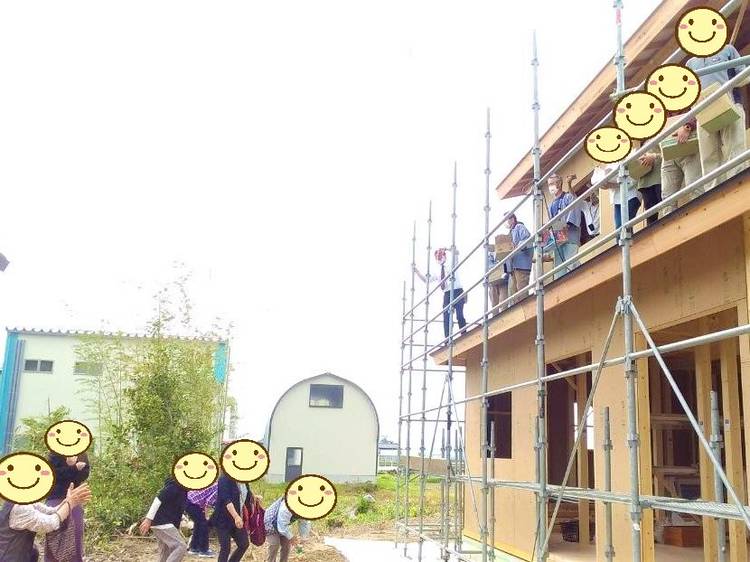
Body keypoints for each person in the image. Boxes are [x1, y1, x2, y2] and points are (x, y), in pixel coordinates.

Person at [686, 43, 748, 189]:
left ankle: (739, 186)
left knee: (735, 149)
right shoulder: (690, 63)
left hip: (730, 104)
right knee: (708, 156)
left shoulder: (728, 49)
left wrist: (723, 88)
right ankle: (713, 191)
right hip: (703, 111)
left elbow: (744, 76)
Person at [0, 483, 91, 562]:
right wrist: (70, 503)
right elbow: (50, 524)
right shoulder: (19, 508)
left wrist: (68, 501)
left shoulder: (23, 502)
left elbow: (50, 512)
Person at [44, 452, 90, 562]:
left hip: (74, 498)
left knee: (75, 534)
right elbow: (53, 475)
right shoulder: (53, 455)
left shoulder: (81, 453)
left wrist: (76, 468)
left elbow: (84, 474)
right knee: (54, 536)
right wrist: (72, 467)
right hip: (55, 498)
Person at [414, 247, 466, 338]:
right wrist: (417, 272)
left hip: (457, 290)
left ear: (444, 256)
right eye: (437, 257)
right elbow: (426, 280)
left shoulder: (451, 264)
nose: (439, 259)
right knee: (446, 317)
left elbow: (457, 252)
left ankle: (464, 334)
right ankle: (447, 339)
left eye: (440, 256)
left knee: (459, 315)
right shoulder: (437, 271)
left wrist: (448, 249)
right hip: (447, 293)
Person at [659, 117, 702, 218]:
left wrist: (688, 126)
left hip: (688, 141)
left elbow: (696, 108)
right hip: (667, 148)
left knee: (695, 187)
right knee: (667, 196)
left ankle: (701, 218)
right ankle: (670, 224)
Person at [140, 476, 189, 562]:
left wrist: (183, 518)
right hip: (162, 522)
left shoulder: (183, 490)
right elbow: (158, 500)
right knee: (180, 546)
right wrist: (148, 519)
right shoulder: (174, 486)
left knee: (166, 551)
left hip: (162, 522)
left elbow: (173, 507)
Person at [208, 470, 253, 562]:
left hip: (237, 519)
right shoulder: (224, 479)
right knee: (225, 548)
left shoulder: (244, 481)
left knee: (244, 544)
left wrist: (254, 498)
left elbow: (246, 495)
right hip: (223, 520)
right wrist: (236, 516)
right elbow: (227, 500)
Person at [546, 173, 582, 280]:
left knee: (572, 265)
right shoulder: (551, 205)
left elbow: (574, 210)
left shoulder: (567, 197)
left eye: (552, 183)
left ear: (559, 183)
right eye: (549, 184)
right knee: (559, 271)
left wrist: (566, 225)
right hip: (558, 240)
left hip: (570, 237)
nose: (550, 187)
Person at [591, 164, 642, 230]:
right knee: (619, 228)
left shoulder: (624, 159)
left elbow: (634, 180)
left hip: (631, 195)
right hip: (617, 200)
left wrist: (613, 185)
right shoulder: (606, 165)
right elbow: (594, 180)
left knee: (623, 225)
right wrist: (605, 185)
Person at [263, 496, 311, 562]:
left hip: (283, 524)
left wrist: (303, 537)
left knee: (286, 545)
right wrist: (291, 537)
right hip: (271, 522)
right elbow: (282, 526)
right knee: (274, 544)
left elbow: (304, 523)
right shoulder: (287, 507)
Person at [186, 481, 217, 557]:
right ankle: (203, 550)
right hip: (192, 503)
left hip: (189, 500)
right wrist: (206, 516)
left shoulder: (218, 484)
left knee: (198, 524)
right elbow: (209, 501)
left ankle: (194, 548)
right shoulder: (220, 488)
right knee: (203, 524)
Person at [505, 214, 532, 303]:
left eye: (507, 219)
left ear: (512, 219)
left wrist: (516, 247)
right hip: (514, 267)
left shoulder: (519, 227)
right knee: (515, 294)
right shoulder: (510, 232)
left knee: (522, 292)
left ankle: (526, 308)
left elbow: (527, 239)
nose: (506, 222)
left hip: (522, 265)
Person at [635, 152, 662, 226]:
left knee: (665, 208)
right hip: (644, 182)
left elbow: (666, 151)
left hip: (659, 177)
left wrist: (654, 156)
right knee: (650, 217)